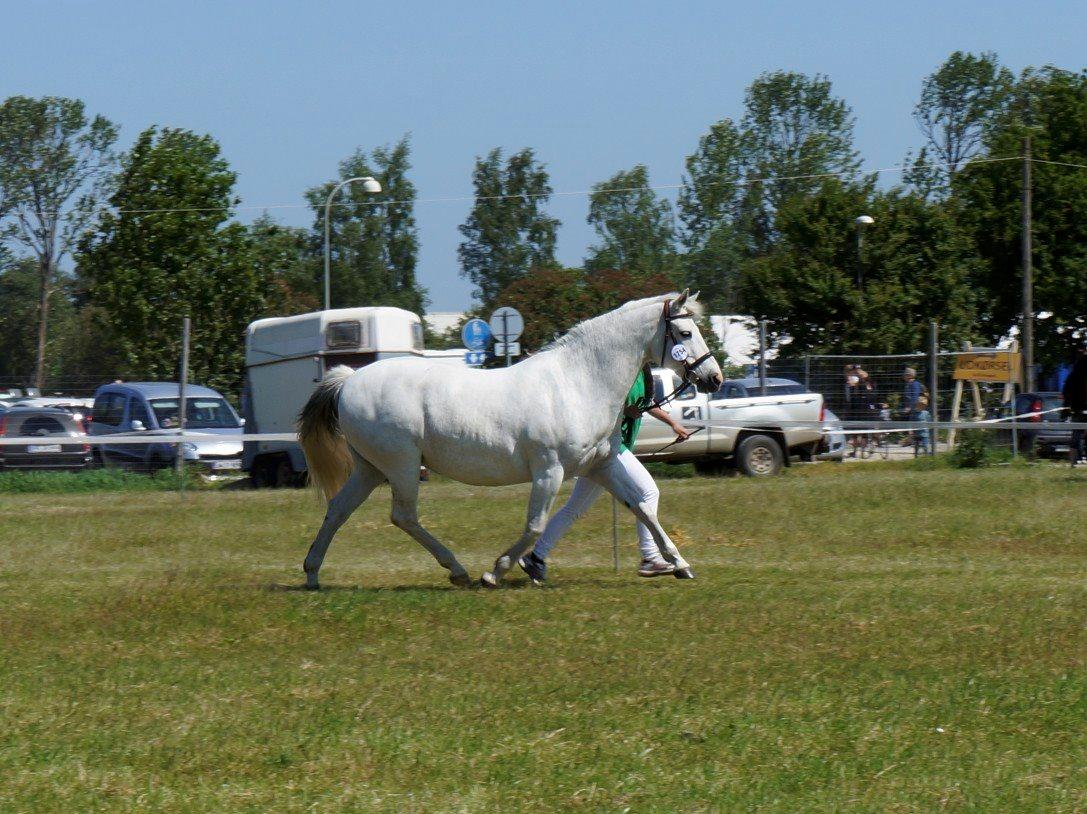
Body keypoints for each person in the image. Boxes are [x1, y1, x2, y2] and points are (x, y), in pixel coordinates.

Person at [519, 365, 694, 584]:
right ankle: (650, 557)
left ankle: (536, 557)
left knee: (574, 509)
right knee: (649, 492)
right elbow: (615, 403)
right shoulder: (624, 369)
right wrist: (627, 410)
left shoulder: (643, 373)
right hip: (610, 449)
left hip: (612, 450)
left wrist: (673, 424)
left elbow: (646, 404)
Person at [1062, 349, 1087, 466]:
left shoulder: (1073, 375)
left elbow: (1066, 392)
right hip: (1079, 408)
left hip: (1077, 409)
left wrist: (1066, 409)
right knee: (1077, 436)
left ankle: (1073, 463)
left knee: (1076, 436)